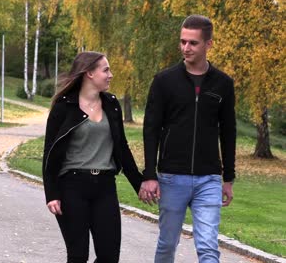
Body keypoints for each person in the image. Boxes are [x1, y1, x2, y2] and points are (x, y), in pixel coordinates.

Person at [139, 14, 236, 263]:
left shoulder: (223, 84)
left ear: (208, 44)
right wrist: (150, 175)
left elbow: (228, 131)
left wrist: (229, 178)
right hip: (172, 177)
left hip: (209, 179)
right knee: (167, 245)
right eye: (183, 42)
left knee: (208, 248)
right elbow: (151, 130)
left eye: (193, 43)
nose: (185, 48)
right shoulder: (164, 81)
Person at [42, 51, 142, 263]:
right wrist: (51, 193)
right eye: (106, 70)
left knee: (109, 256)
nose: (110, 75)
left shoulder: (111, 104)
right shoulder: (64, 106)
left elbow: (122, 147)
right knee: (78, 256)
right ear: (89, 73)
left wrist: (140, 184)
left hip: (105, 186)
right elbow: (50, 152)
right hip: (72, 186)